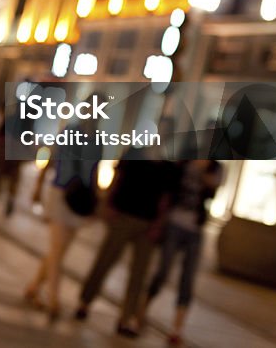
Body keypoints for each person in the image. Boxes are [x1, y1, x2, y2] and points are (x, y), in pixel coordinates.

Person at [75, 153, 178, 338]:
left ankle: (126, 317)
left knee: (139, 274)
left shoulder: (169, 165)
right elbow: (117, 177)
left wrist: (158, 224)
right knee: (105, 260)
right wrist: (107, 203)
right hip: (123, 215)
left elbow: (166, 198)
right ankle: (85, 302)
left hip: (147, 223)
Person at [22, 118, 100, 321]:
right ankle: (53, 298)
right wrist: (38, 186)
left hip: (78, 201)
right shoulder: (72, 131)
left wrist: (94, 205)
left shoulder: (97, 139)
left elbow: (94, 174)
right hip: (60, 194)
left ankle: (33, 287)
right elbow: (52, 159)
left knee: (59, 251)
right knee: (57, 250)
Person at [138, 159, 223, 346]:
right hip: (174, 224)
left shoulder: (215, 167)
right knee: (163, 271)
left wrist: (207, 179)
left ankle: (177, 328)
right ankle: (142, 309)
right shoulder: (184, 162)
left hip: (195, 229)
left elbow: (212, 194)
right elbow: (169, 190)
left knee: (188, 278)